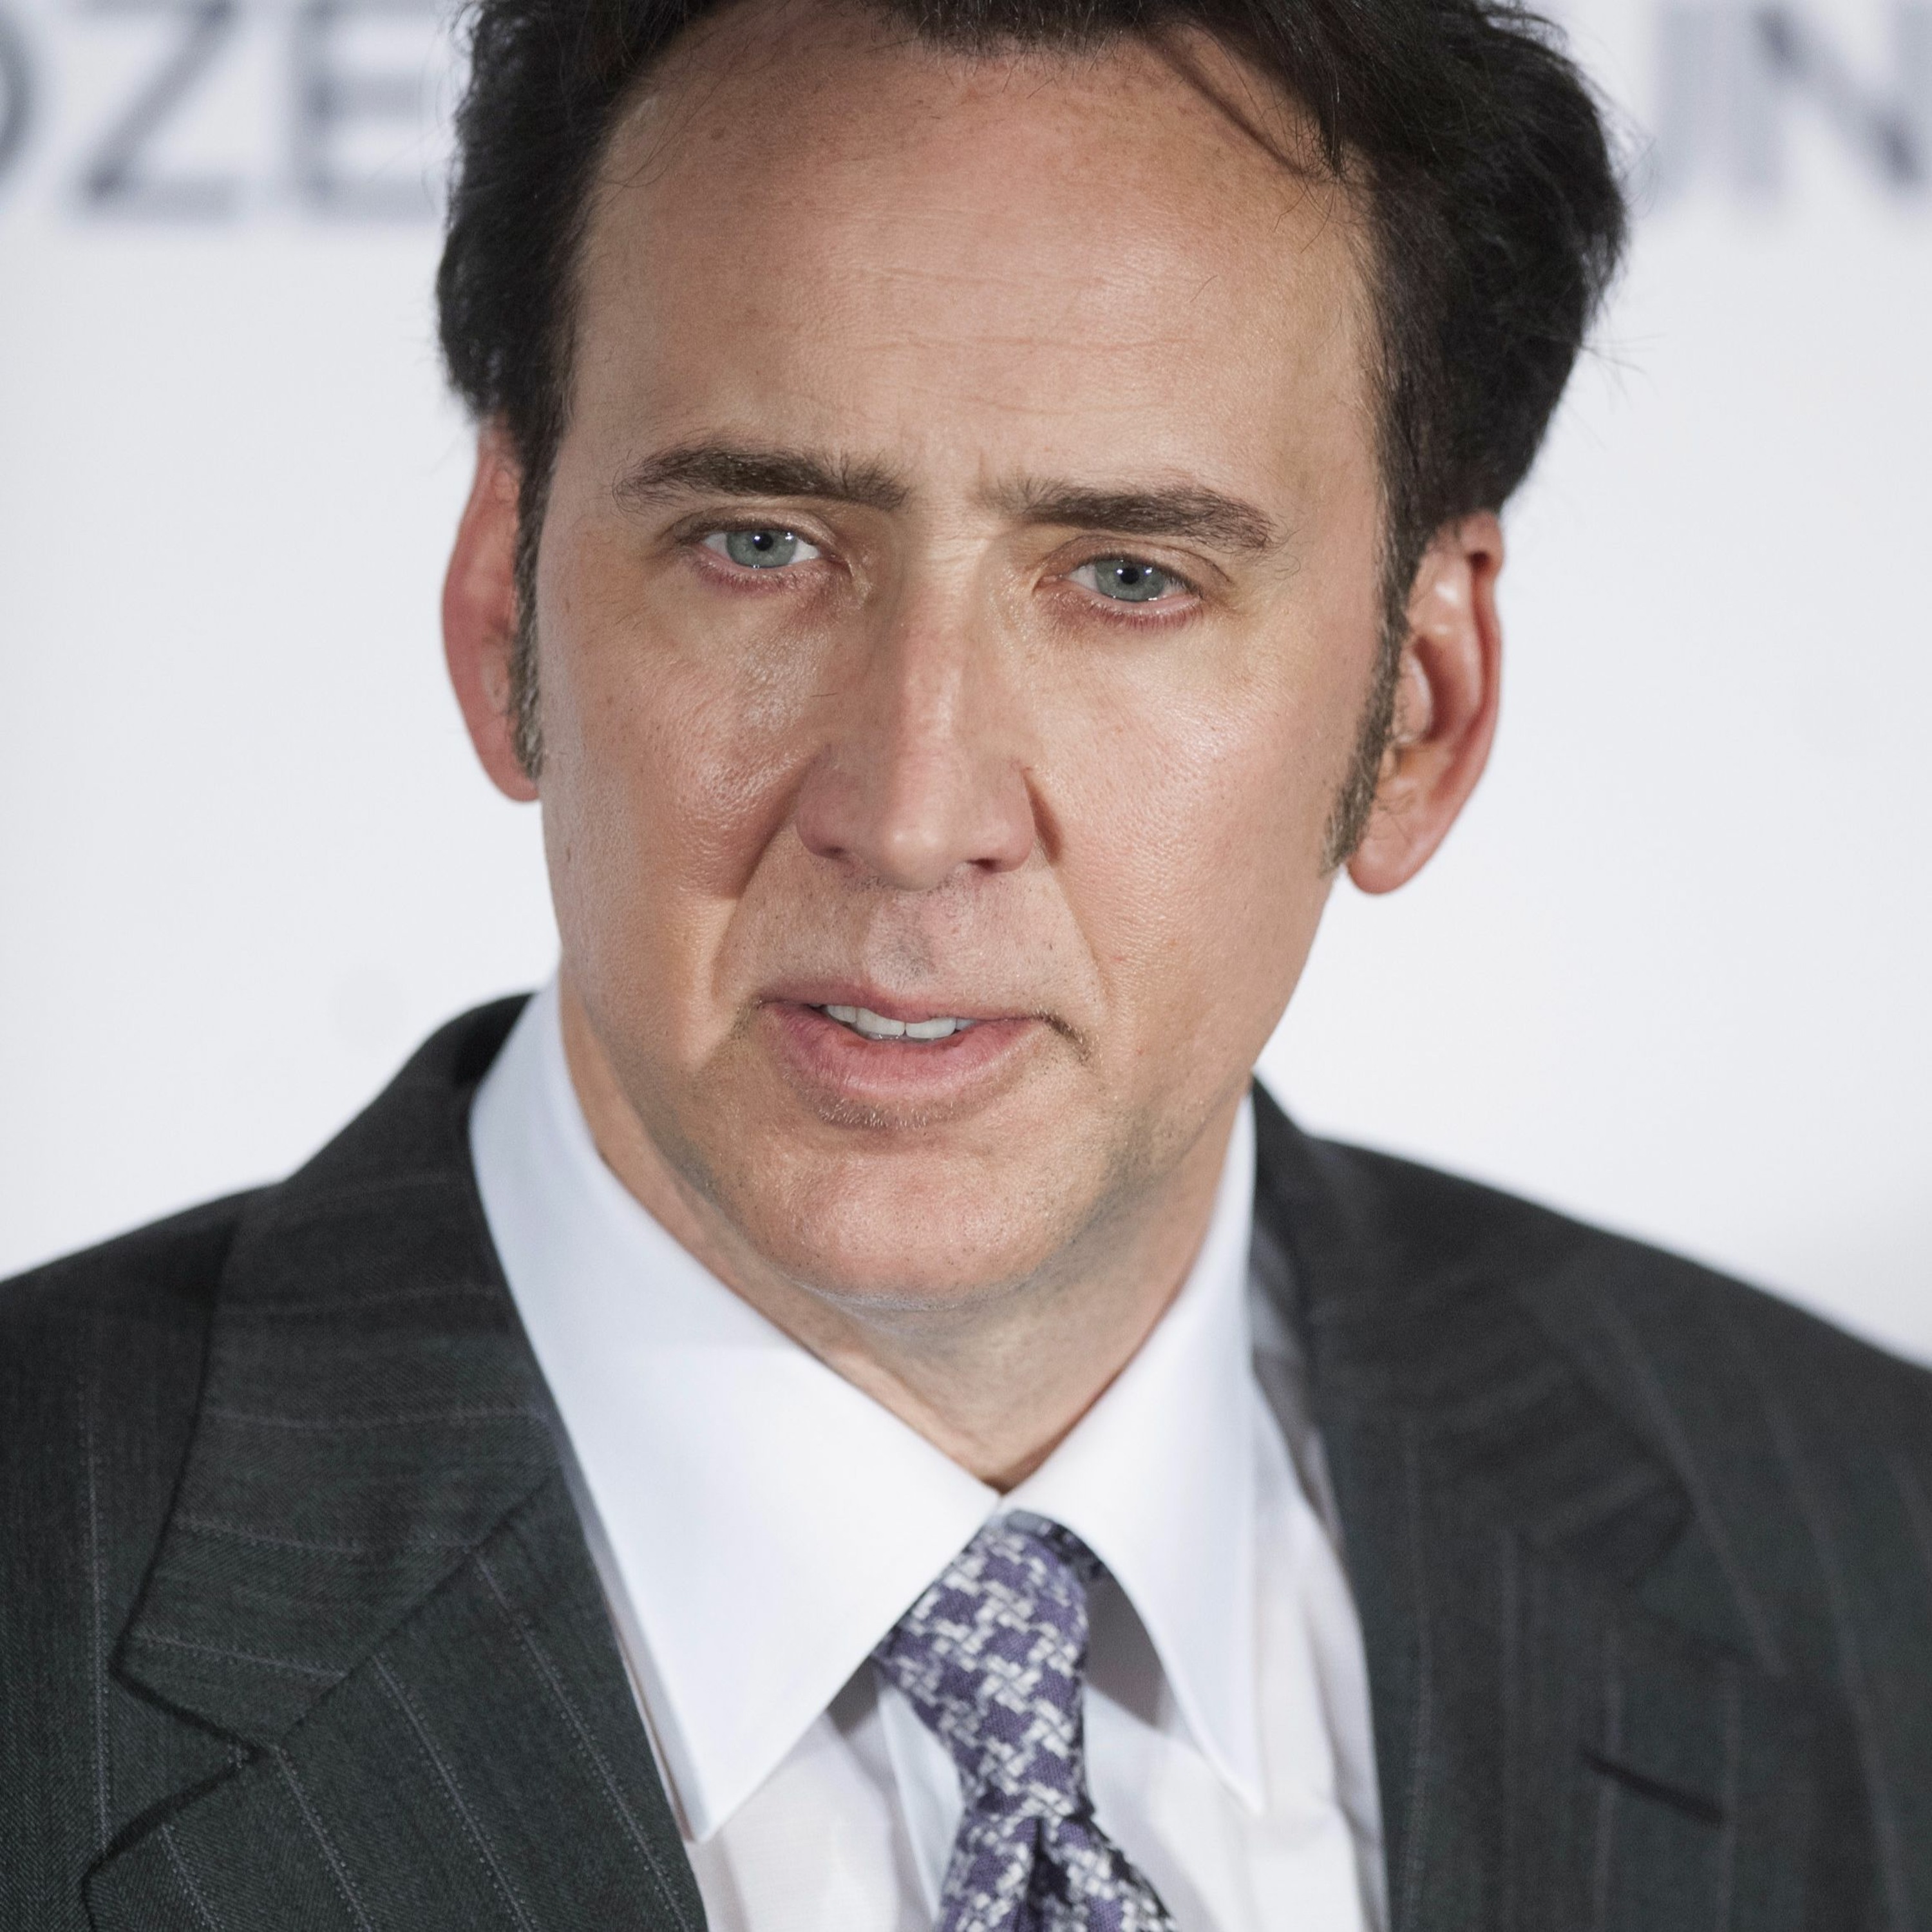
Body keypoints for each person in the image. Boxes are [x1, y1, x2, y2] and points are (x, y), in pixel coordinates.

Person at [5, 0, 1929, 1924]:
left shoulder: (1871, 1552)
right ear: (507, 603)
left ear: (1419, 712)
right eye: (760, 545)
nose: (915, 814)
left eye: (1129, 579)